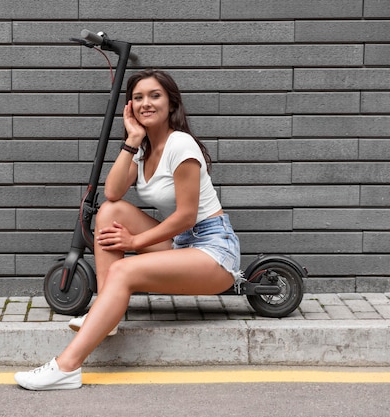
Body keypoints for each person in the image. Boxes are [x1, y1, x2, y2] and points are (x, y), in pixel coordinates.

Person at [14, 68, 242, 390]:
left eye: (154, 96)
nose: (145, 103)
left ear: (171, 103)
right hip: (180, 244)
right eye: (137, 98)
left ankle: (66, 367)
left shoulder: (181, 144)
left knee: (123, 270)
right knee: (110, 212)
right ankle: (108, 317)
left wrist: (134, 241)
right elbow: (113, 193)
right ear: (129, 107)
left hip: (213, 250)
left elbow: (187, 217)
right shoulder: (144, 148)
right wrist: (132, 141)